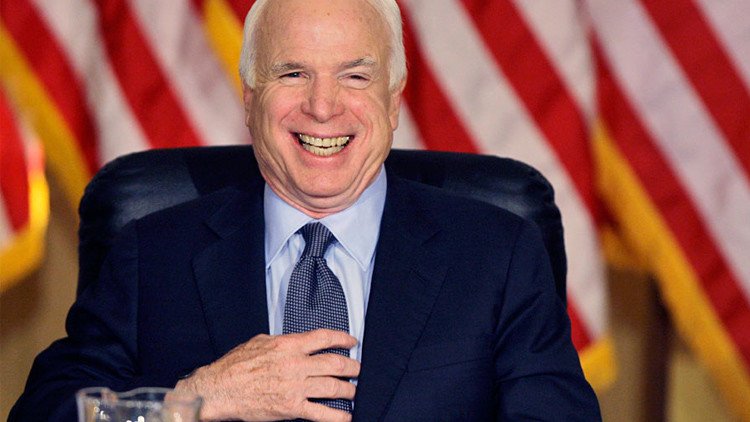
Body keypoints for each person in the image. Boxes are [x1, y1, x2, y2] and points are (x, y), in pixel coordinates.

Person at [10, 0, 601, 420]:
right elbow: (45, 410)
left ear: (393, 101)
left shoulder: (498, 255)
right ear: (250, 99)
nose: (322, 106)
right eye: (292, 73)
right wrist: (195, 400)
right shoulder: (152, 254)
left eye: (355, 76)